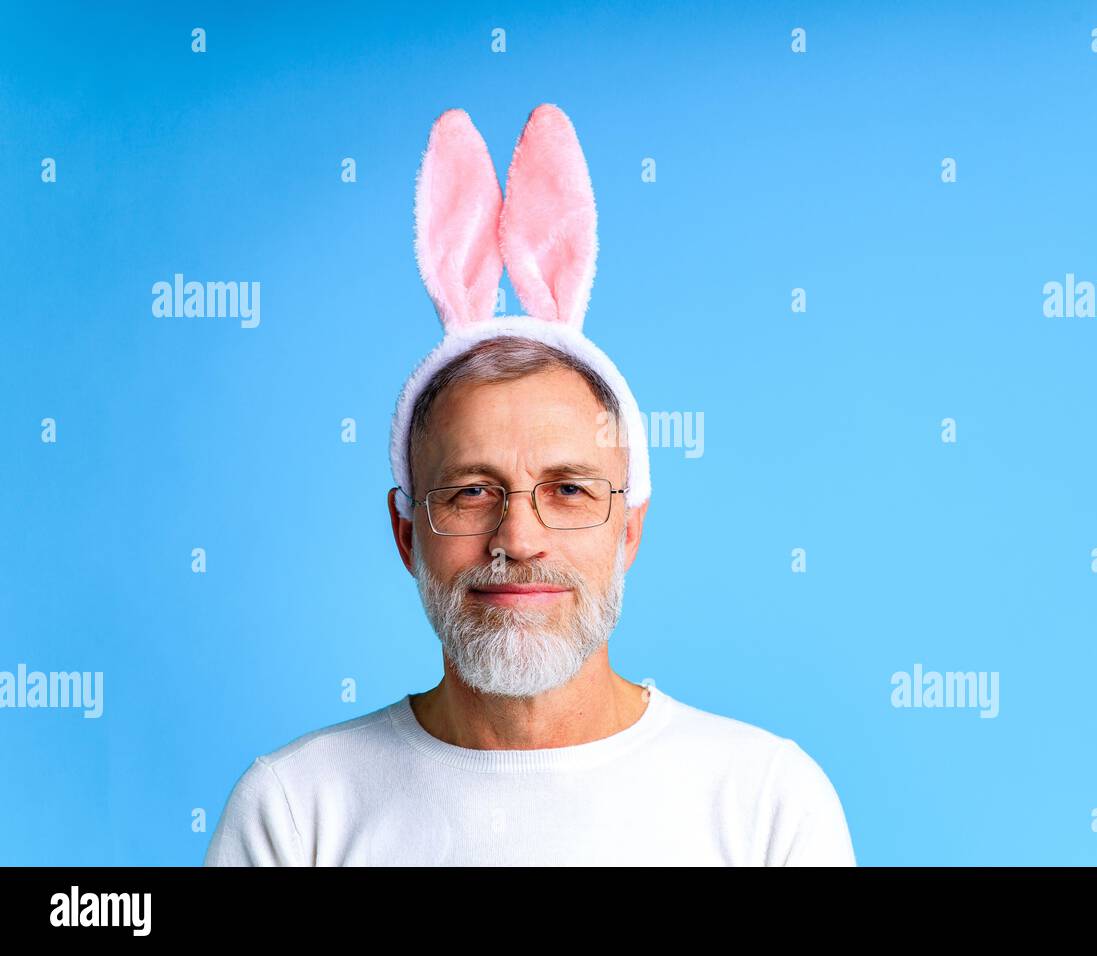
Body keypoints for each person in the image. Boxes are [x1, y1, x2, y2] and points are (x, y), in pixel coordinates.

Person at [203, 103, 855, 867]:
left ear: (630, 529)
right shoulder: (295, 812)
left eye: (570, 490)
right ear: (407, 533)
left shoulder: (765, 803)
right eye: (471, 492)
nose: (518, 539)